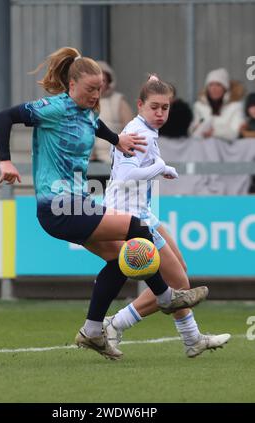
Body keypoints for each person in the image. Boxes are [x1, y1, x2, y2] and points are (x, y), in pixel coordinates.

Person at [0, 47, 208, 361]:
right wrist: (5, 162)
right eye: (90, 89)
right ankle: (165, 297)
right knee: (136, 228)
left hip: (77, 205)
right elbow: (4, 117)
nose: (96, 95)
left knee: (124, 258)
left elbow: (95, 126)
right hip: (58, 206)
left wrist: (117, 140)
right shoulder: (52, 108)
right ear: (71, 86)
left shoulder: (87, 113)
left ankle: (94, 330)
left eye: (100, 89)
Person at [104, 75, 231, 358]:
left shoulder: (145, 127)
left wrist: (161, 168)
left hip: (143, 211)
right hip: (128, 215)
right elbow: (125, 176)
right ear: (140, 105)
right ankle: (114, 324)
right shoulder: (140, 133)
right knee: (178, 284)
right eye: (155, 107)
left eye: (165, 107)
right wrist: (159, 166)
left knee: (180, 274)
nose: (161, 113)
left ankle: (192, 339)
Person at [90, 61, 134, 163]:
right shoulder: (85, 101)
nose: (99, 84)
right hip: (89, 160)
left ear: (109, 82)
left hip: (111, 159)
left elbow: (131, 130)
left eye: (103, 80)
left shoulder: (119, 102)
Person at [190, 68, 244, 141]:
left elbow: (235, 133)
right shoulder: (199, 106)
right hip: (202, 148)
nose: (214, 88)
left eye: (218, 85)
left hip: (225, 150)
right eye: (211, 85)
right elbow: (193, 128)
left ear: (225, 88)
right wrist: (194, 128)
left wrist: (214, 132)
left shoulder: (235, 107)